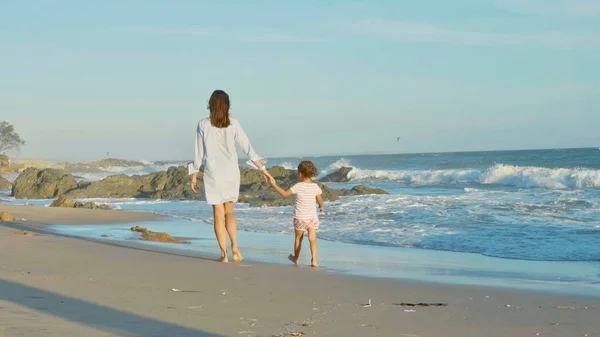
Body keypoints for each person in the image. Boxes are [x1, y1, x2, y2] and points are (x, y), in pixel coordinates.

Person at [189, 89, 273, 263]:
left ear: (210, 105)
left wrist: (194, 175)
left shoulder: (203, 124)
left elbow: (199, 152)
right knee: (230, 212)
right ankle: (235, 245)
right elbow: (248, 148)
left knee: (218, 214)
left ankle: (224, 254)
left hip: (213, 172)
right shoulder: (234, 123)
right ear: (227, 105)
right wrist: (263, 170)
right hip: (231, 172)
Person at [267, 161, 324, 267]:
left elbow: (284, 193)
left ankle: (296, 258)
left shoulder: (298, 186)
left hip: (300, 217)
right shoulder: (315, 186)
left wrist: (273, 184)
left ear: (300, 174)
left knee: (298, 238)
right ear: (312, 174)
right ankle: (314, 261)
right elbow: (320, 199)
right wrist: (321, 206)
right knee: (312, 239)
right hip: (312, 217)